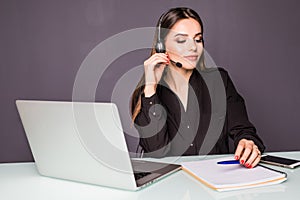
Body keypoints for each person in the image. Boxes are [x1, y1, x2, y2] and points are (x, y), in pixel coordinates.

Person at [130, 7, 265, 168]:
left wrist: (247, 142)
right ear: (162, 46)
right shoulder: (148, 94)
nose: (193, 47)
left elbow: (244, 129)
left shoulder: (219, 81)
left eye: (198, 39)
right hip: (171, 187)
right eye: (181, 40)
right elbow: (156, 152)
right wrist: (151, 87)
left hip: (215, 182)